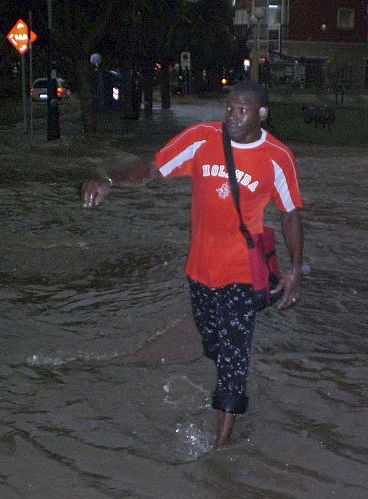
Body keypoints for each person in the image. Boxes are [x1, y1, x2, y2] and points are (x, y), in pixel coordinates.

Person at [80, 80, 304, 447]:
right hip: (199, 271)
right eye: (229, 108)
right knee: (213, 345)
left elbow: (290, 213)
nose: (232, 116)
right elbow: (151, 168)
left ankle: (221, 446)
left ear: (262, 114)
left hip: (242, 275)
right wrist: (109, 178)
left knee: (233, 359)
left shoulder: (277, 156)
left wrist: (295, 269)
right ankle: (230, 387)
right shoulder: (202, 138)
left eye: (242, 110)